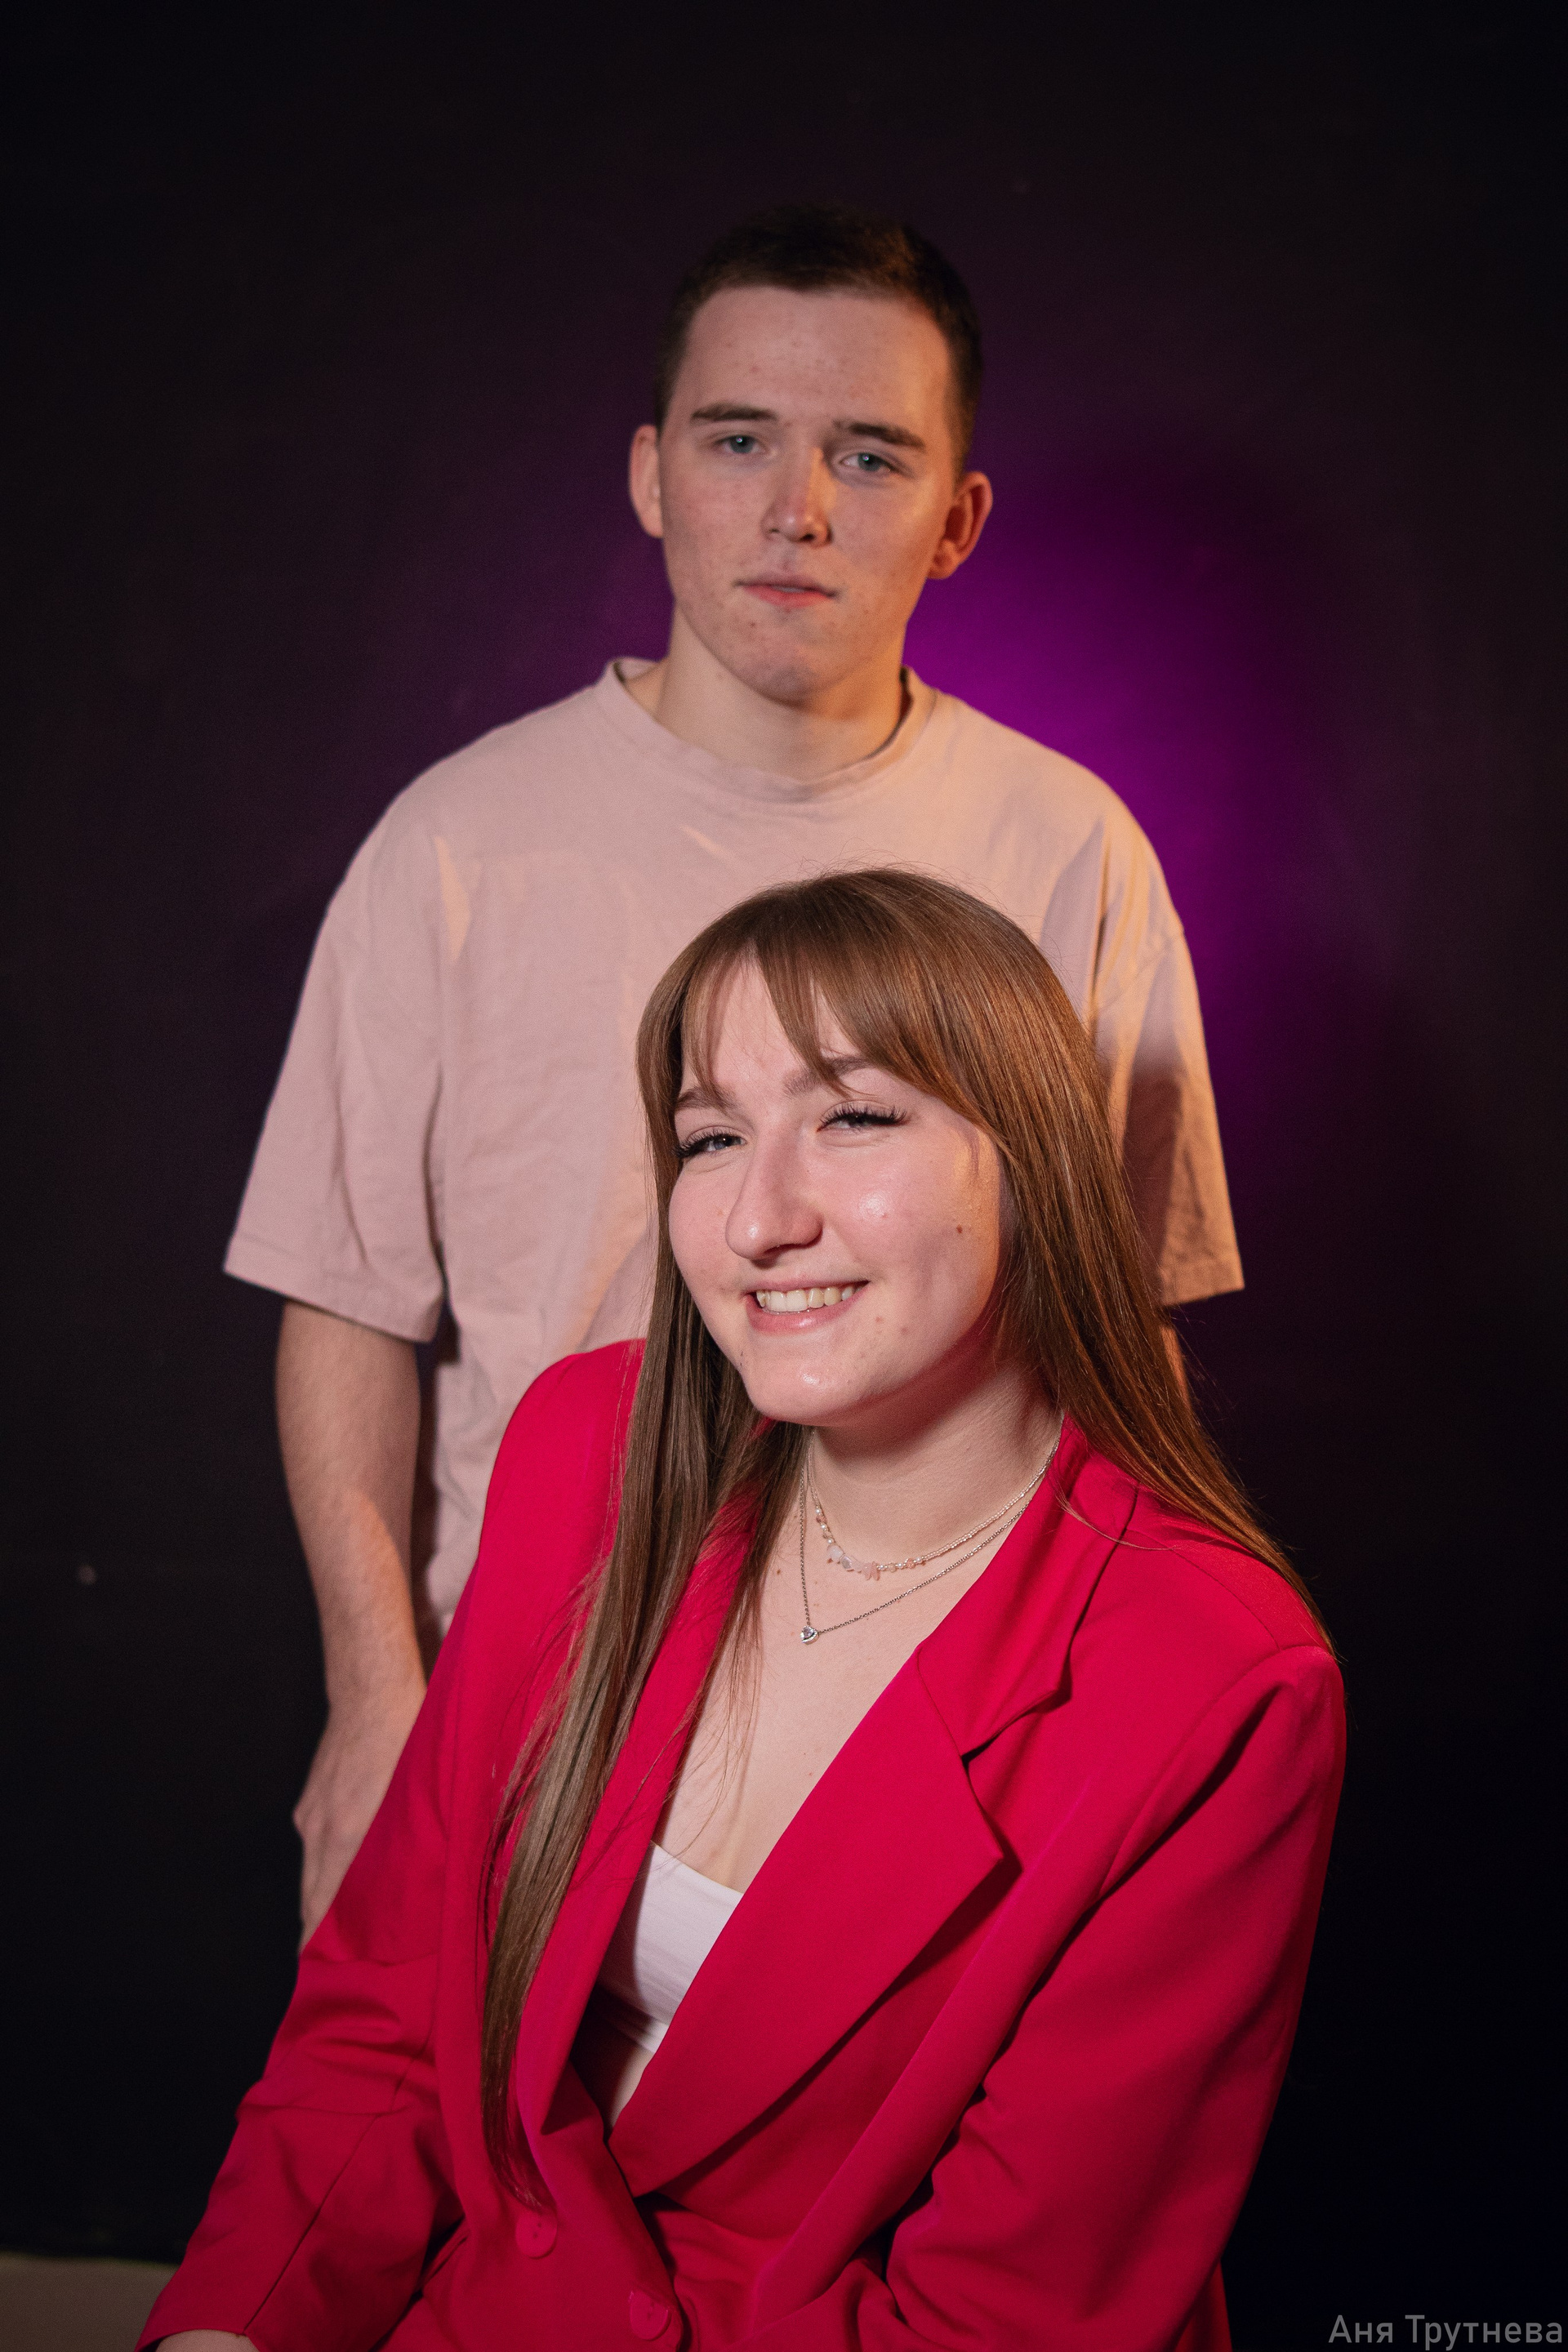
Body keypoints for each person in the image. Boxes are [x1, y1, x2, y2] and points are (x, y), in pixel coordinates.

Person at [228, 203, 1247, 1938]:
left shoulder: (1069, 846)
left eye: (870, 454)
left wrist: (1115, 1710)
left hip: (926, 1735)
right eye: (738, 440)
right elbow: (347, 1299)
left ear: (957, 518)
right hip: (529, 1706)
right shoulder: (458, 843)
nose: (798, 509)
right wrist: (377, 1694)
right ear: (651, 475)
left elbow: (1125, 1322)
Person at [148, 872, 1340, 2352]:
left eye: (856, 1116)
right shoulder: (585, 1448)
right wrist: (236, 2328)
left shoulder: (1223, 1685)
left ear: (1031, 1157)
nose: (760, 1218)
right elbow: (391, 2014)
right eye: (712, 1137)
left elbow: (1005, 2318)